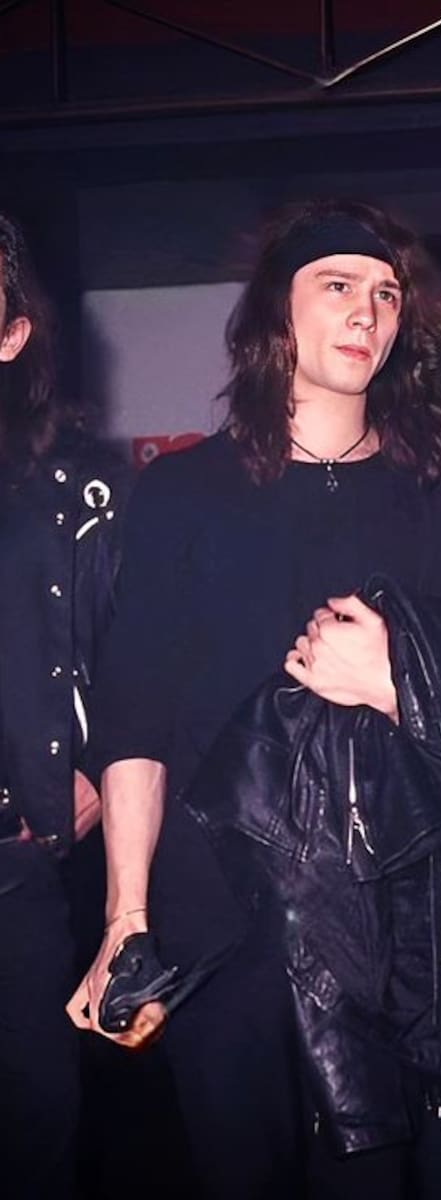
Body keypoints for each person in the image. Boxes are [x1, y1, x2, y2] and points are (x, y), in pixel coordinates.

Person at [67, 198, 441, 1198]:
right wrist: (126, 917)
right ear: (276, 312)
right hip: (215, 920)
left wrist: (395, 683)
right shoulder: (183, 494)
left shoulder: (440, 490)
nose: (368, 312)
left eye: (387, 295)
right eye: (338, 285)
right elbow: (137, 716)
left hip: (388, 927)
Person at [0, 211, 123, 1198]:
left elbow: (143, 647)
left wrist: (95, 765)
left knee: (36, 1126)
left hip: (14, 864)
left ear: (12, 333)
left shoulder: (78, 486)